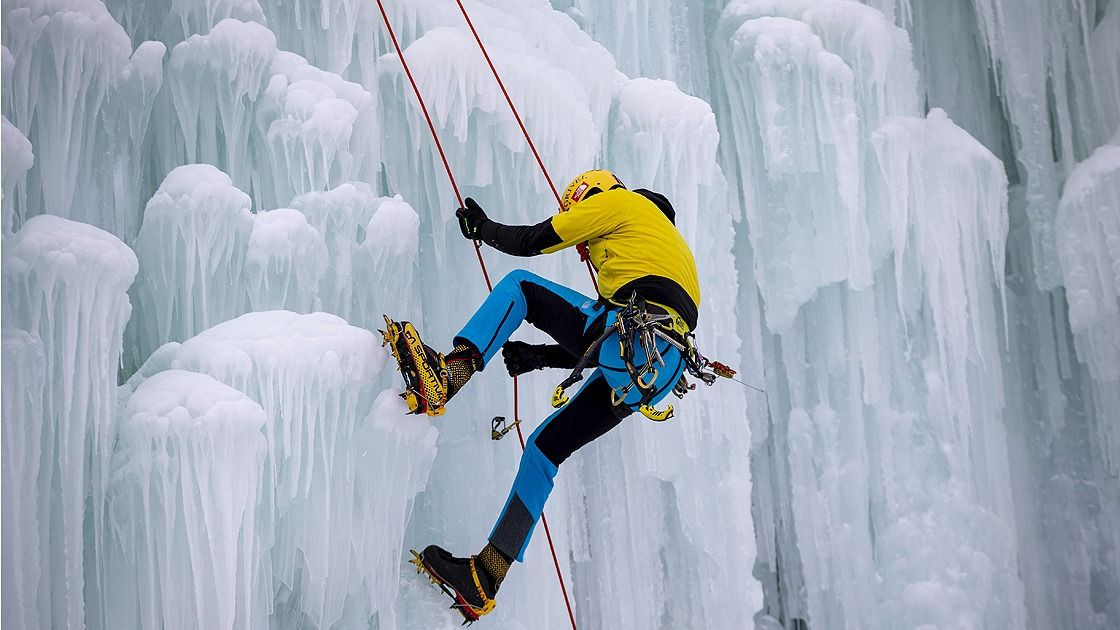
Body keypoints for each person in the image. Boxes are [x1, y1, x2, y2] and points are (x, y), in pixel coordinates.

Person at [386, 169, 701, 623]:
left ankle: (446, 376)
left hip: (628, 336)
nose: (583, 247)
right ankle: (485, 577)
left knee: (520, 287)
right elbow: (604, 346)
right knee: (543, 451)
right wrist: (538, 357)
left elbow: (537, 239)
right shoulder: (669, 249)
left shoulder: (620, 202)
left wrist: (485, 229)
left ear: (592, 195)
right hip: (654, 367)